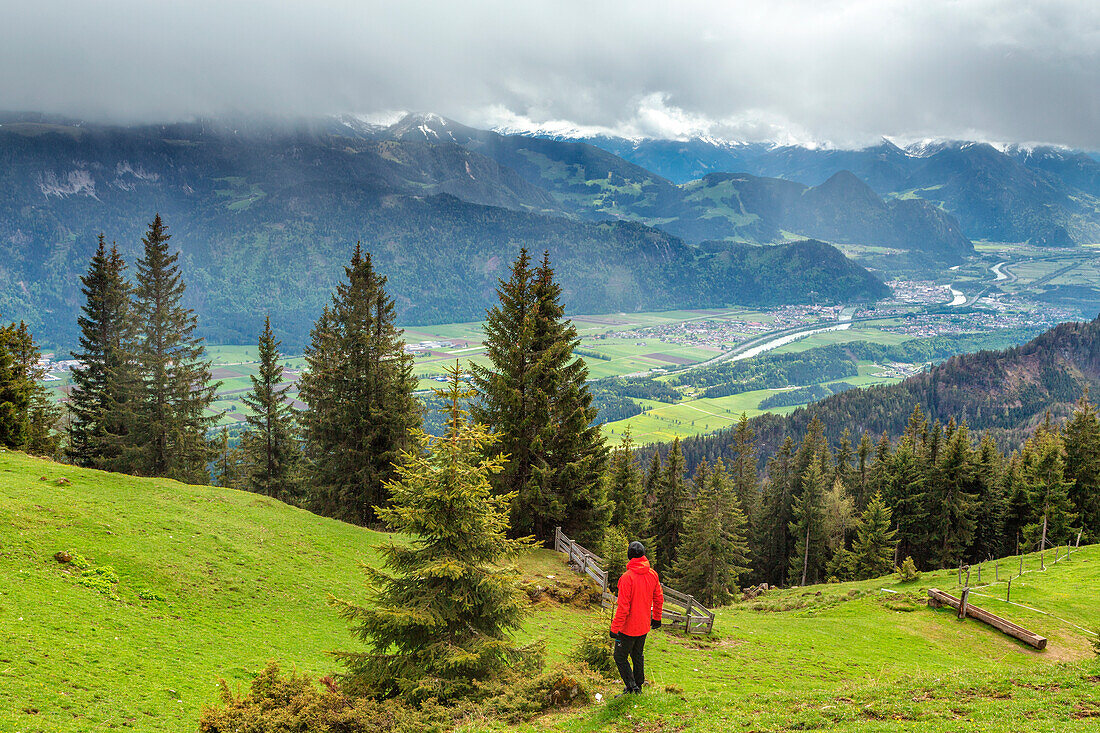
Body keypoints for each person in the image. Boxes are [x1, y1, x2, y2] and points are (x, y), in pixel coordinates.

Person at [609, 540, 663, 696]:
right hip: (644, 625)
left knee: (619, 657)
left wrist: (615, 628)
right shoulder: (652, 574)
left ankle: (632, 688)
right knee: (637, 654)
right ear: (643, 555)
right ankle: (638, 685)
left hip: (628, 628)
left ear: (629, 556)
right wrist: (657, 618)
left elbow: (623, 607)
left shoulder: (627, 578)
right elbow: (658, 598)